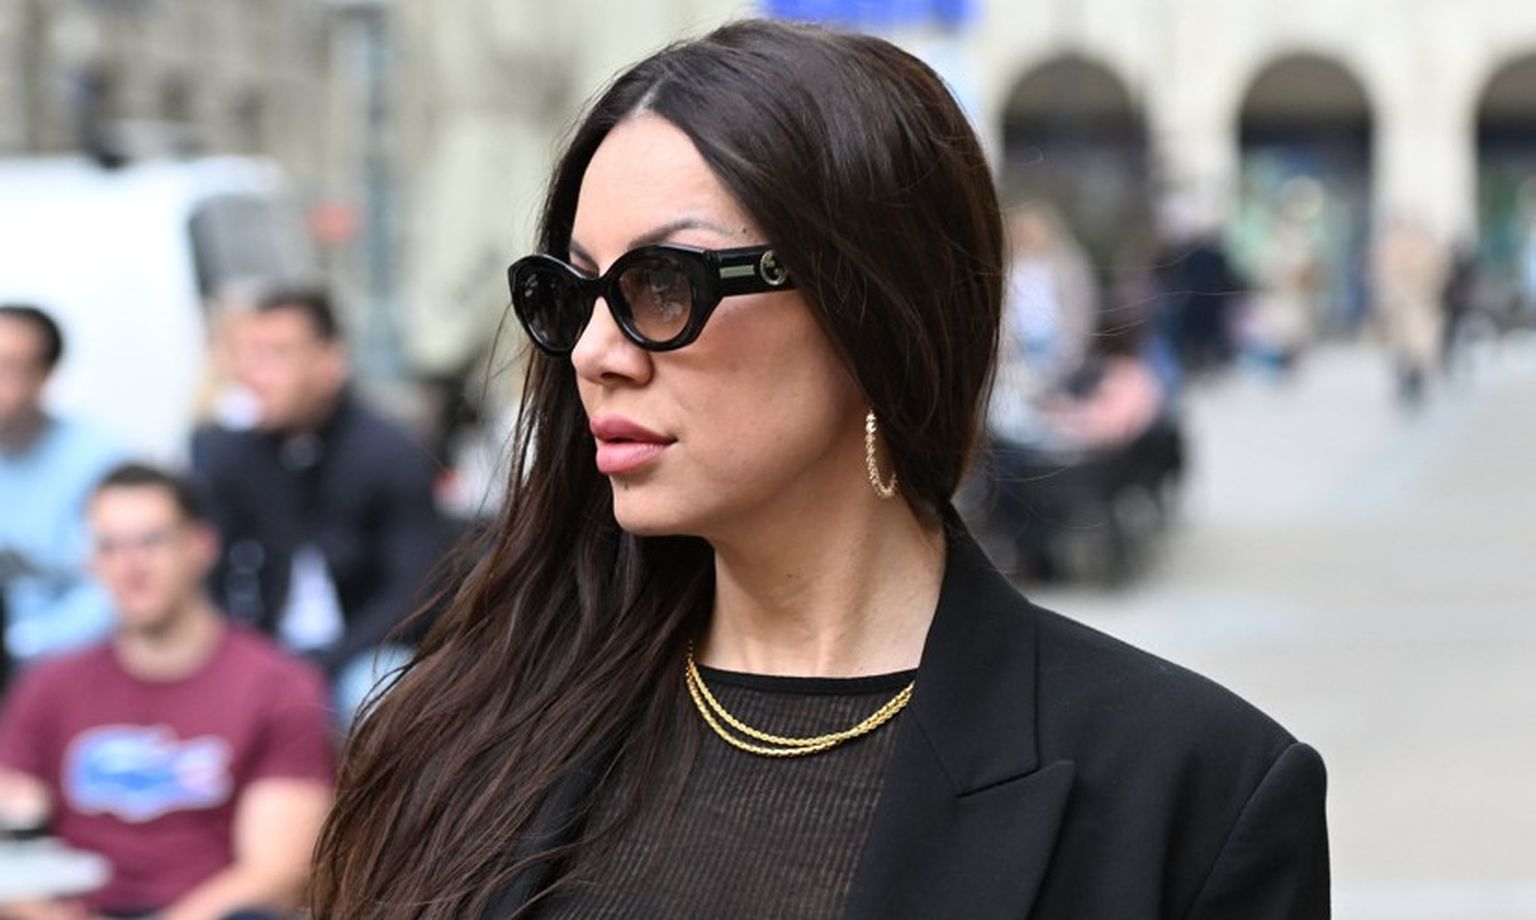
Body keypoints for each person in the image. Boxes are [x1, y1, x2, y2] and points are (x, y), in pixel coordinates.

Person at [311, 20, 1329, 919]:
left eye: (663, 284)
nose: (594, 351)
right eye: (571, 294)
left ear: (869, 307)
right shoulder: (462, 730)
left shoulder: (1191, 790)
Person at [0, 463, 334, 919]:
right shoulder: (49, 685)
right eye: (109, 546)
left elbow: (277, 873)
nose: (130, 566)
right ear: (90, 561)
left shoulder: (278, 686)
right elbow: (11, 842)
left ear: (201, 546)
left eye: (151, 541)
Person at [189, 288, 443, 718]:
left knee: (378, 694)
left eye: (276, 354)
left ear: (330, 363)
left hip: (362, 653)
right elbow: (212, 575)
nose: (254, 374)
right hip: (259, 654)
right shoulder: (225, 453)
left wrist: (318, 665)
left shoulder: (390, 452)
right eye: (248, 355)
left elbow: (411, 592)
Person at [0, 304, 122, 686]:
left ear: (44, 375)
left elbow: (116, 588)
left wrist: (20, 643)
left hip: (64, 665)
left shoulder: (99, 461)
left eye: (9, 367)